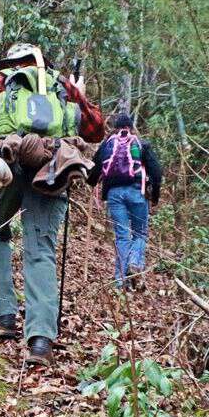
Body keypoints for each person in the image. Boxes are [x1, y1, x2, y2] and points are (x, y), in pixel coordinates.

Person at [0, 43, 104, 366]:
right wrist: (79, 93)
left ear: (9, 63)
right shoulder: (61, 85)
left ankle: (4, 318)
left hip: (5, 162)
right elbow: (95, 130)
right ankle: (40, 340)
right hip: (53, 165)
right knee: (41, 250)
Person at [88, 112, 162, 290]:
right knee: (140, 234)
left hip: (114, 195)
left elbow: (93, 172)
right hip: (137, 193)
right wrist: (155, 196)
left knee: (122, 237)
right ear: (130, 127)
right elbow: (157, 173)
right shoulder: (141, 145)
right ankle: (135, 263)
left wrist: (92, 182)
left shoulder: (107, 144)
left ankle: (121, 282)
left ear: (115, 128)